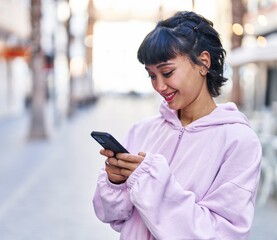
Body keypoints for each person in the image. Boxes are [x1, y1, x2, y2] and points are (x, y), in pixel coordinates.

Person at [93, 10, 262, 240]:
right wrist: (116, 181)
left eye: (167, 72)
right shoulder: (142, 130)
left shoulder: (238, 141)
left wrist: (151, 182)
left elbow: (222, 234)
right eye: (151, 76)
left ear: (203, 63)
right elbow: (113, 217)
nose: (159, 86)